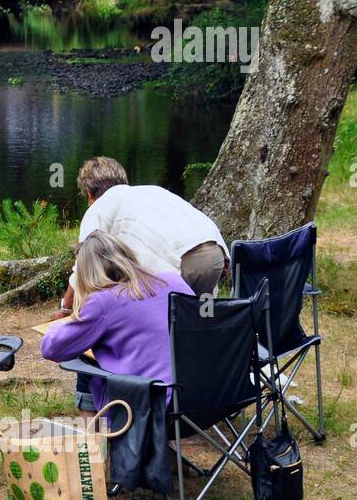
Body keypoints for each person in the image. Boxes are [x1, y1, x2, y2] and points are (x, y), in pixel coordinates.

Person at [41, 231, 192, 416]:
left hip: (154, 405)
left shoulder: (103, 301)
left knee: (86, 361)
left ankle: (96, 440)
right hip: (210, 396)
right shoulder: (175, 280)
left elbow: (52, 349)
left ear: (86, 272)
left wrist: (66, 320)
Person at [56, 157, 227, 318]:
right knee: (196, 318)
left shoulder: (98, 207)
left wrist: (66, 308)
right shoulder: (152, 191)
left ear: (90, 195)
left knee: (158, 321)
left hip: (183, 261)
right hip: (215, 252)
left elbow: (83, 266)